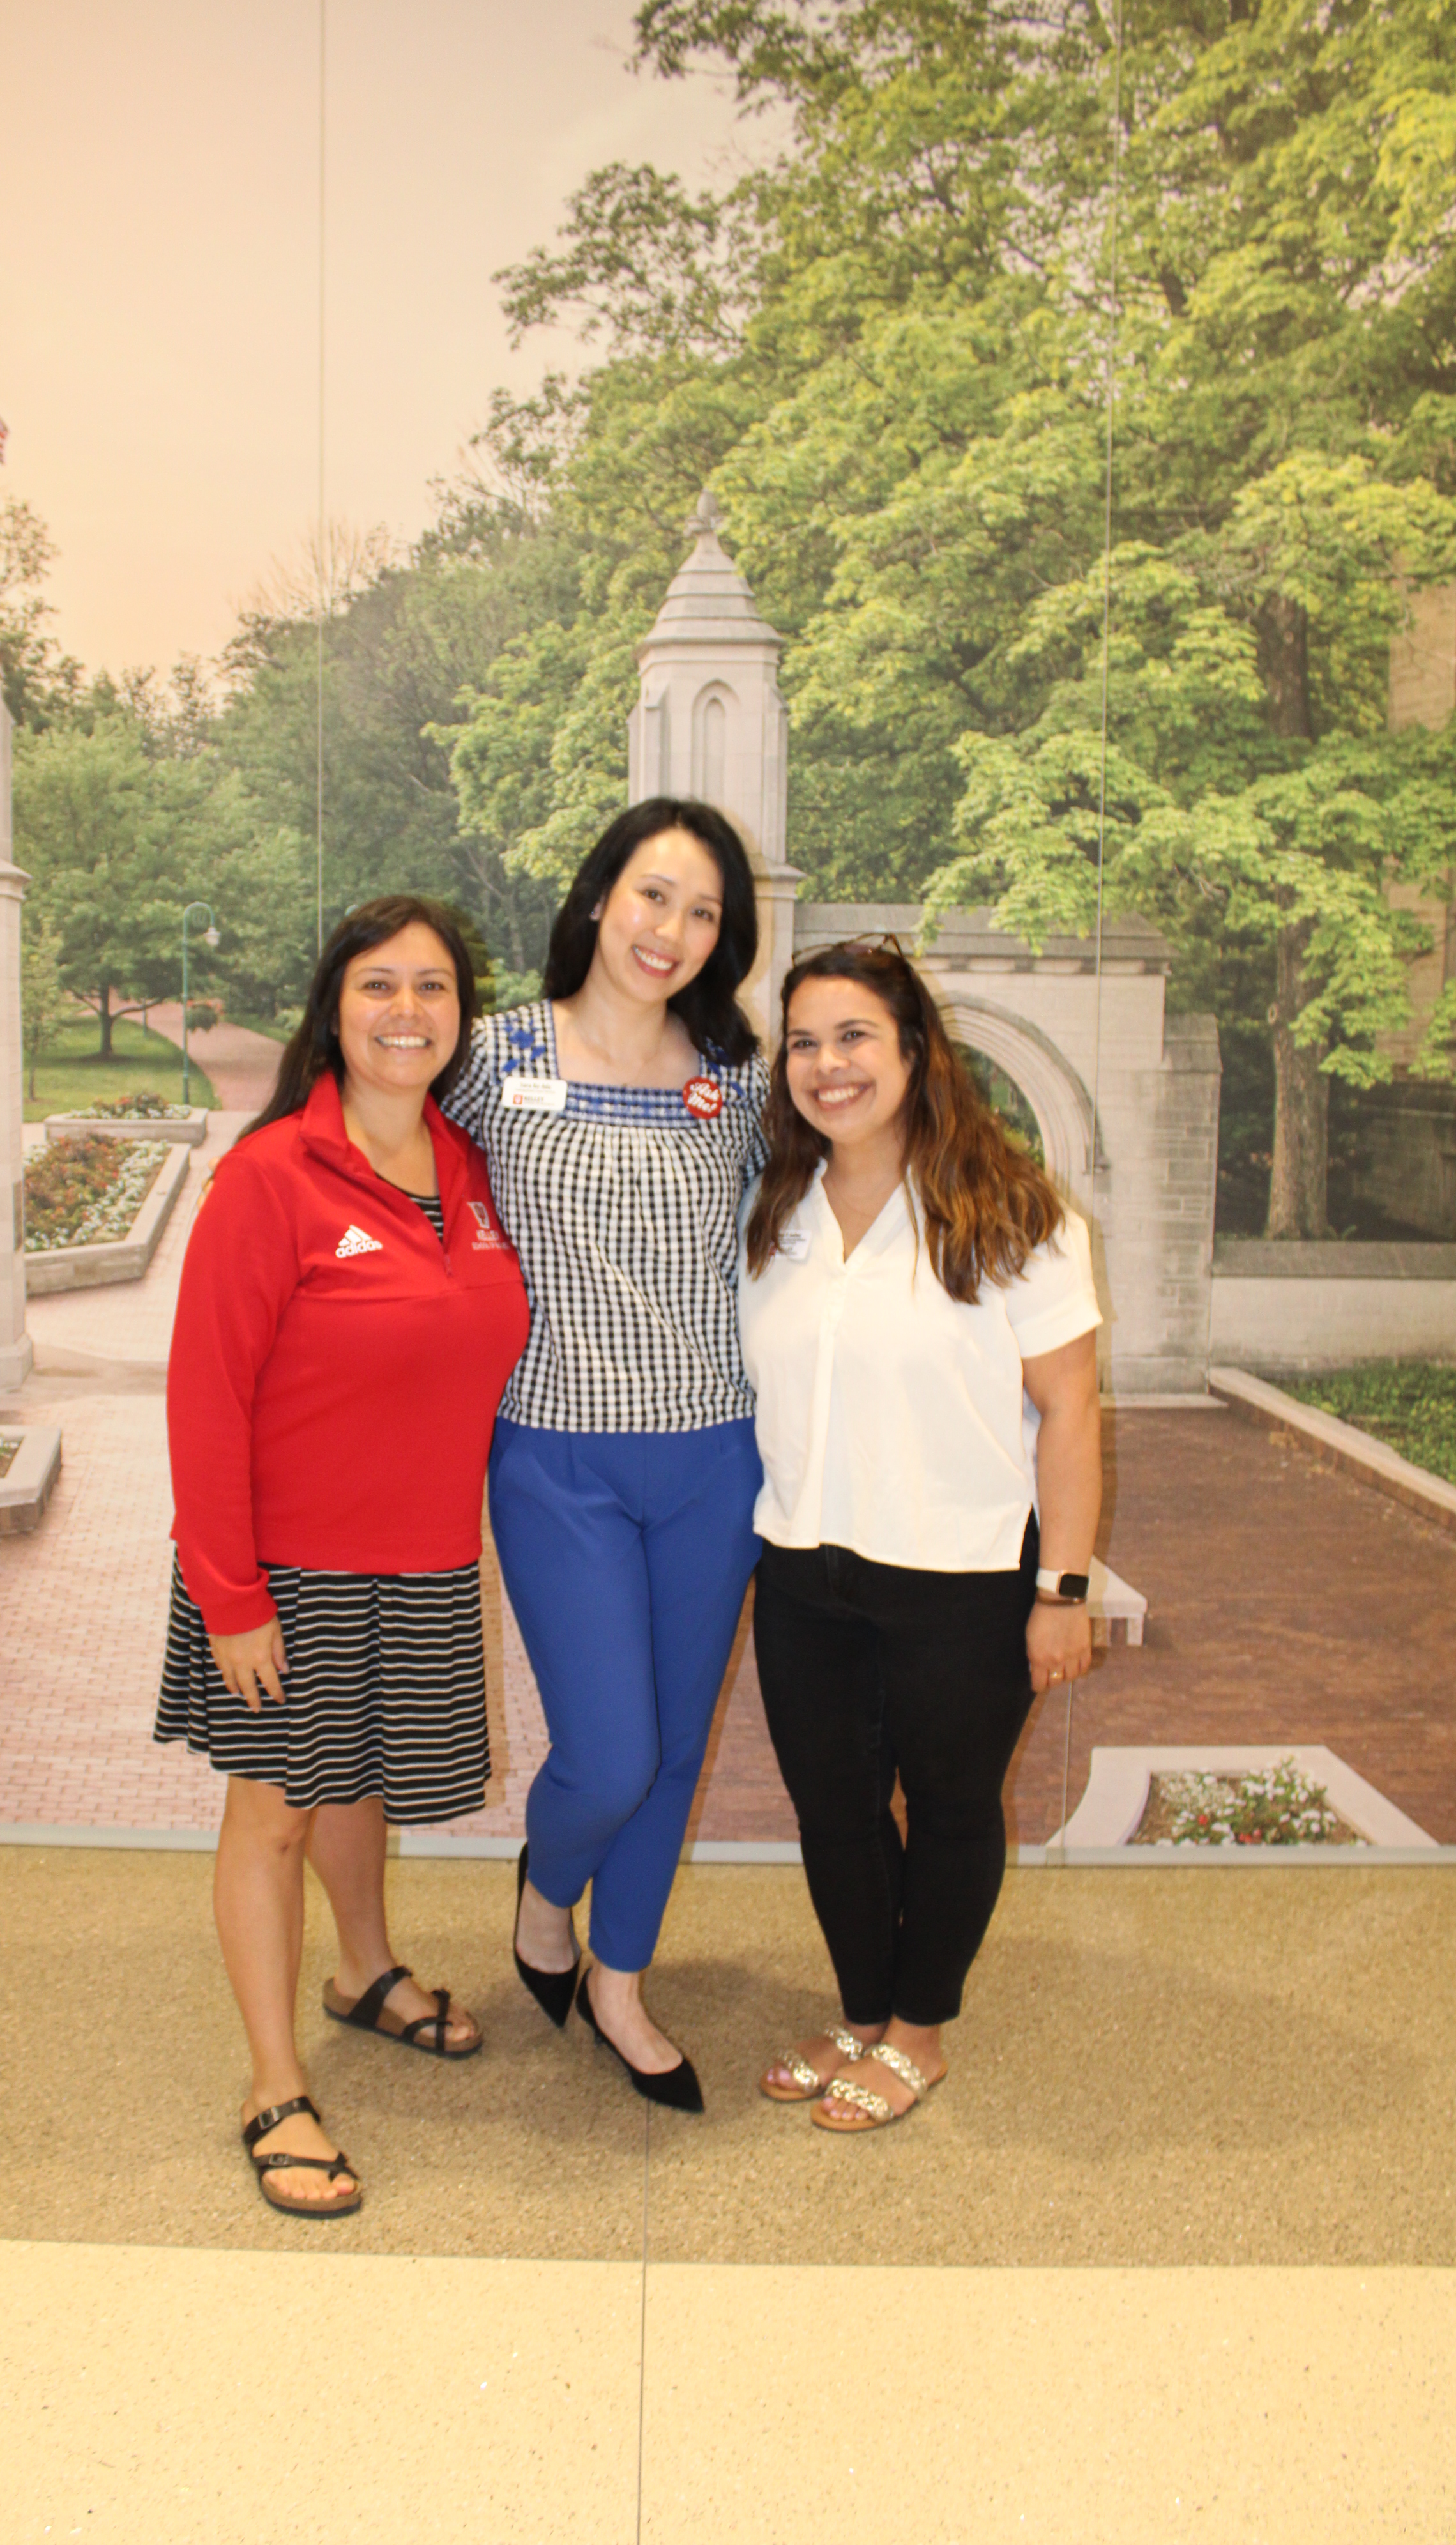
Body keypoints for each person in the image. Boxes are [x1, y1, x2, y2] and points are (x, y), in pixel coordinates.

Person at [155, 896, 530, 2215]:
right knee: (274, 1813)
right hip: (285, 1568)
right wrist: (231, 1597)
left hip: (421, 1558)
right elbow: (205, 1397)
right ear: (335, 1007)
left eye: (433, 987)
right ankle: (272, 2085)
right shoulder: (271, 1177)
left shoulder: (471, 1171)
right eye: (379, 984)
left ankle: (362, 1971)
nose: (407, 1011)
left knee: (362, 1778)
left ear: (460, 1016)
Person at [738, 936, 1102, 2133]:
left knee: (950, 1808)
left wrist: (1061, 1591)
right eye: (804, 1043)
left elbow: (1069, 1410)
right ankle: (863, 2011)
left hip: (962, 1579)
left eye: (854, 1037)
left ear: (914, 1050)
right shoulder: (773, 1207)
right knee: (834, 1810)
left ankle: (919, 2032)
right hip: (804, 1572)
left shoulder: (1016, 1215)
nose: (827, 1064)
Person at [444, 799, 768, 2111]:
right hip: (554, 1457)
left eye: (701, 912)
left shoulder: (737, 1077)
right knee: (611, 1754)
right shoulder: (491, 1055)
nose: (670, 931)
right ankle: (546, 1889)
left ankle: (619, 1983)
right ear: (597, 898)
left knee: (676, 1750)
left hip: (714, 1457)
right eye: (652, 895)